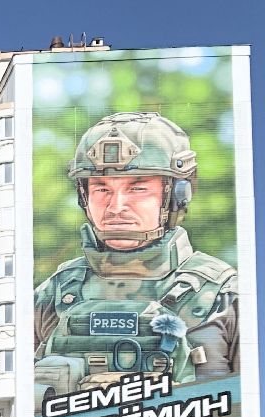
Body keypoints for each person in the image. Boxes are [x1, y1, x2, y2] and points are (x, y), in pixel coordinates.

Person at [34, 111, 238, 394]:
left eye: (137, 188)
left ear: (178, 195)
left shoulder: (223, 294)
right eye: (102, 188)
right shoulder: (55, 291)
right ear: (84, 196)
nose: (116, 206)